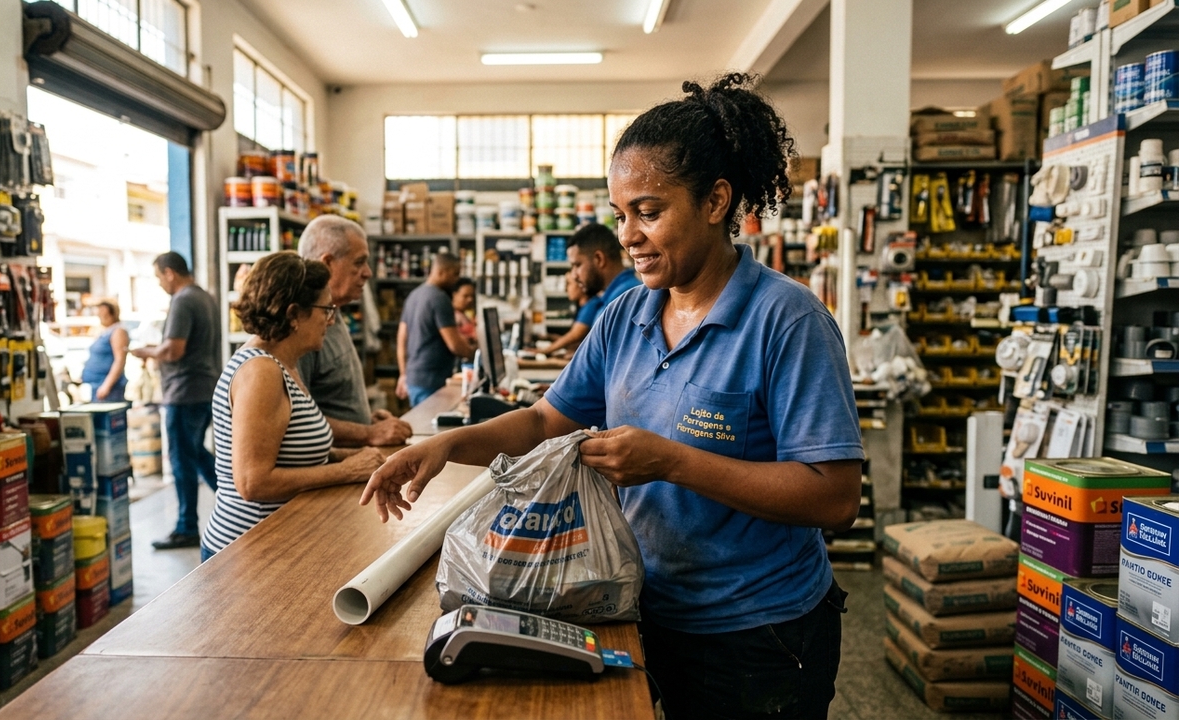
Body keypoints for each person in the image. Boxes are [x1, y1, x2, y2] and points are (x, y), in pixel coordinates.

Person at [362, 73, 863, 720]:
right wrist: (444, 446)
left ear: (715, 202)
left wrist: (672, 461)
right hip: (643, 610)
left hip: (758, 635)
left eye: (649, 212)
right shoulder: (625, 316)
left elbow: (835, 497)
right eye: (620, 214)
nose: (627, 235)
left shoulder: (786, 321)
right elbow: (545, 419)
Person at [202, 252, 385, 560]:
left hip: (275, 542)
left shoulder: (285, 364)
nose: (330, 320)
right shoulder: (261, 372)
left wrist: (354, 456)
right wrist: (344, 470)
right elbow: (253, 482)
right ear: (293, 315)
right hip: (246, 550)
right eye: (325, 310)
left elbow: (292, 451)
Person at [131, 252, 223, 551]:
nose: (160, 284)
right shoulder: (205, 297)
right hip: (204, 387)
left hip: (185, 392)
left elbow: (173, 350)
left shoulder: (183, 300)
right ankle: (234, 504)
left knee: (183, 459)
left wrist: (146, 352)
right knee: (195, 453)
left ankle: (187, 526)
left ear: (170, 273)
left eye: (159, 277)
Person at [296, 215, 413, 447]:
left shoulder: (334, 313)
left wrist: (367, 421)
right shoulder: (303, 326)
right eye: (359, 262)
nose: (368, 273)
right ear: (327, 263)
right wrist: (367, 433)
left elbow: (328, 398)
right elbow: (296, 420)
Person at [543, 223, 641, 356]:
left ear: (599, 259)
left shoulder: (625, 298)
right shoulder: (610, 297)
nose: (574, 275)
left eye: (577, 265)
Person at [396, 253, 474, 407]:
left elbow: (401, 338)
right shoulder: (440, 298)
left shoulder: (414, 295)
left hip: (414, 378)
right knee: (433, 429)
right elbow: (454, 344)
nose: (456, 279)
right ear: (440, 272)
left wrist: (404, 374)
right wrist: (476, 354)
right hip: (432, 380)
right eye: (454, 274)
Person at [81, 299, 129, 402]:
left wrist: (106, 385)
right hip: (96, 384)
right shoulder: (104, 330)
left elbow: (119, 360)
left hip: (107, 386)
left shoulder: (118, 331)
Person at [451, 277, 477, 349]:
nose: (470, 300)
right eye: (465, 296)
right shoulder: (452, 316)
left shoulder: (466, 315)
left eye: (472, 296)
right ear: (454, 295)